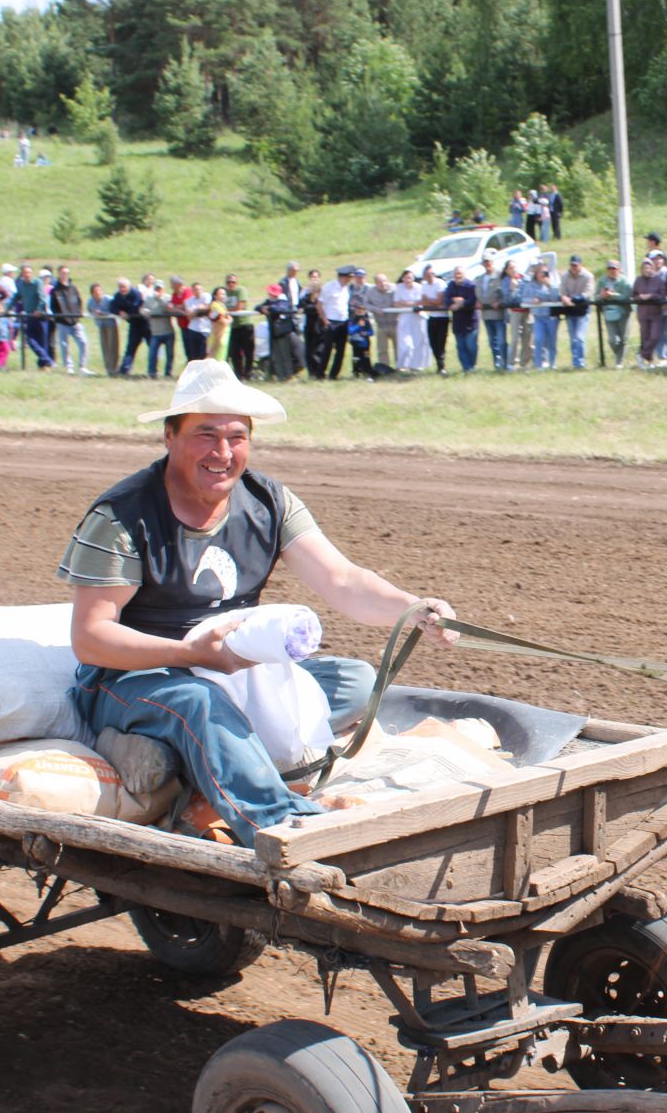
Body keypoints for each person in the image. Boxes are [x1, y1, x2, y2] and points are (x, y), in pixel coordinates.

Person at [61, 360, 458, 844]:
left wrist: (412, 609)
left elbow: (341, 579)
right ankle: (282, 827)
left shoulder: (268, 500)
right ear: (169, 436)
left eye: (237, 437)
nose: (223, 452)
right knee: (198, 702)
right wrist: (189, 656)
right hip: (140, 677)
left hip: (233, 667)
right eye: (206, 435)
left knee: (356, 681)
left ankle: (205, 753)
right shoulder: (123, 515)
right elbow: (92, 637)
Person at [518, 263, 560, 369]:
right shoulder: (530, 285)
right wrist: (532, 300)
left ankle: (552, 363)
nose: (543, 274)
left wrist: (549, 285)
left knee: (551, 341)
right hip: (538, 317)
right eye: (541, 272)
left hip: (551, 317)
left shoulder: (552, 283)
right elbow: (523, 298)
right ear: (536, 273)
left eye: (545, 272)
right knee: (538, 340)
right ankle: (538, 364)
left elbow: (555, 298)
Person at [314, 265, 352, 380]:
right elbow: (319, 305)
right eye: (349, 277)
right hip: (331, 321)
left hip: (343, 321)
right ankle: (320, 373)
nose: (350, 280)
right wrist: (325, 321)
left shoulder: (347, 288)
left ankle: (334, 374)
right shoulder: (329, 287)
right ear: (343, 277)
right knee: (327, 350)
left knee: (341, 351)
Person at [49, 266, 88, 375]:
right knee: (64, 345)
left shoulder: (73, 288)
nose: (64, 275)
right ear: (59, 274)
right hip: (62, 323)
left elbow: (79, 301)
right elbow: (53, 306)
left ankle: (82, 366)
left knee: (83, 342)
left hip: (75, 322)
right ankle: (68, 367)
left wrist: (78, 314)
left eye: (66, 273)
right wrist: (59, 317)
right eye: (62, 273)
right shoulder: (55, 290)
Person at [558, 254, 594, 369]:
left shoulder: (588, 276)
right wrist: (563, 297)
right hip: (570, 311)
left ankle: (581, 362)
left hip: (583, 310)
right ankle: (575, 361)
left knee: (579, 337)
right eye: (572, 265)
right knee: (573, 338)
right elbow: (562, 291)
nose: (573, 267)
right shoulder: (564, 276)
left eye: (576, 265)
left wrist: (572, 299)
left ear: (581, 265)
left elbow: (588, 293)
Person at [392, 269, 431, 370]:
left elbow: (421, 302)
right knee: (405, 344)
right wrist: (412, 303)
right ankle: (403, 364)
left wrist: (405, 303)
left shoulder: (419, 287)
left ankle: (417, 365)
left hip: (418, 317)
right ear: (402, 278)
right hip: (405, 317)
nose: (408, 280)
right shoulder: (399, 288)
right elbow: (396, 304)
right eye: (405, 278)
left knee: (419, 342)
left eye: (410, 277)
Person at [596, 258, 631, 366]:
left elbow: (627, 296)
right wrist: (602, 296)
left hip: (623, 313)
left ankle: (619, 362)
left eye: (614, 268)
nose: (612, 270)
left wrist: (613, 295)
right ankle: (620, 354)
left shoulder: (624, 281)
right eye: (609, 268)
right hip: (608, 313)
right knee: (612, 340)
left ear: (619, 269)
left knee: (623, 338)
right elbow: (595, 296)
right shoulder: (602, 281)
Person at [475, 254, 508, 371]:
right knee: (492, 341)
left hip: (498, 314)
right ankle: (497, 363)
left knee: (501, 341)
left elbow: (504, 291)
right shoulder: (479, 279)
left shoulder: (500, 276)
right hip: (486, 314)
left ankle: (505, 363)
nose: (487, 264)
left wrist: (499, 301)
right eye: (485, 262)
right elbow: (477, 293)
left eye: (489, 262)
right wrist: (478, 301)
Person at [445, 265, 479, 373]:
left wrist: (460, 303)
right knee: (460, 346)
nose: (457, 276)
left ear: (464, 274)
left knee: (471, 346)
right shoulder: (451, 285)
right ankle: (466, 368)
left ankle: (472, 365)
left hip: (470, 321)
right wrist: (457, 300)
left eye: (459, 273)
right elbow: (447, 300)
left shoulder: (471, 286)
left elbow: (472, 301)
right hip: (458, 322)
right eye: (456, 274)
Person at [143, 275, 176, 378]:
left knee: (169, 354)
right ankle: (152, 372)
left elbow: (168, 309)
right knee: (152, 354)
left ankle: (168, 373)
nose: (158, 290)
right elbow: (143, 308)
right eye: (156, 288)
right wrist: (144, 311)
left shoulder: (168, 298)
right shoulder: (148, 299)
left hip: (168, 331)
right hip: (155, 332)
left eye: (160, 288)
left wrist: (161, 299)